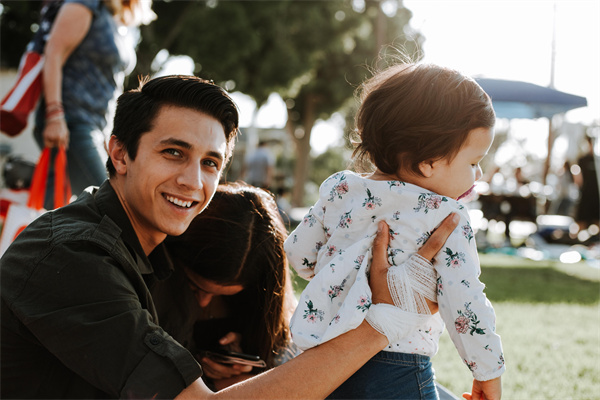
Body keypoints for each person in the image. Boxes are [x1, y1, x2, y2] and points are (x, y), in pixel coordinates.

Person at [1, 74, 460, 400]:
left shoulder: (151, 250)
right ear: (120, 153)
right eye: (173, 153)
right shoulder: (73, 254)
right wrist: (383, 323)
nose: (192, 181)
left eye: (209, 164)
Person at [285, 63, 505, 400]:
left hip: (324, 360)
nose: (477, 175)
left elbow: (299, 253)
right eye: (473, 162)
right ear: (428, 161)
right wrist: (488, 373)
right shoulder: (445, 216)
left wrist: (343, 278)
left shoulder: (340, 189)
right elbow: (465, 301)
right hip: (396, 370)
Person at [152, 182, 299, 391]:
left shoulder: (269, 308)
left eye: (223, 296)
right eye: (195, 287)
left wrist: (244, 352)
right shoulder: (150, 285)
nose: (203, 302)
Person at [34, 0, 155, 208]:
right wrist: (54, 114)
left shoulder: (119, 19)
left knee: (55, 210)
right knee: (113, 204)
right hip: (71, 121)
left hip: (97, 127)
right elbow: (54, 53)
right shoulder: (86, 3)